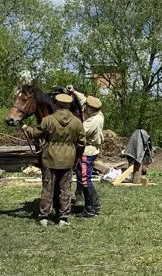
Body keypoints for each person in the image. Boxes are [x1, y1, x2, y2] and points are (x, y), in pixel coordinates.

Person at [23, 93, 84, 227]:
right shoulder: (77, 122)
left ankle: (44, 216)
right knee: (65, 189)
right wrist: (76, 156)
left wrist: (26, 128)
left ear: (56, 104)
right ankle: (64, 217)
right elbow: (81, 143)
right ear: (68, 105)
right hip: (68, 159)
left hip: (49, 158)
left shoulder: (48, 120)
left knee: (47, 188)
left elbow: (34, 134)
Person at [69, 87, 105, 217]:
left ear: (91, 109)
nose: (84, 108)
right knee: (83, 179)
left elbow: (79, 133)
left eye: (87, 108)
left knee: (85, 180)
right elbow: (84, 99)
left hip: (87, 151)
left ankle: (90, 209)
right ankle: (95, 205)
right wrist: (73, 91)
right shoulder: (97, 112)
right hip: (89, 150)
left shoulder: (93, 121)